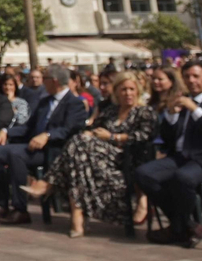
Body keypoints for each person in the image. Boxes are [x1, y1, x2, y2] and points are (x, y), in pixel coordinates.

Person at [22, 73, 155, 237]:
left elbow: (143, 137)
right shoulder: (111, 110)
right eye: (123, 89)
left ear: (138, 91)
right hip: (96, 157)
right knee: (79, 152)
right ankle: (76, 215)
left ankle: (50, 186)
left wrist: (113, 137)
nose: (127, 93)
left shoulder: (144, 112)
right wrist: (92, 134)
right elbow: (94, 129)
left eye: (131, 89)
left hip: (125, 157)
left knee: (78, 145)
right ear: (117, 92)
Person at [134, 62, 202, 248]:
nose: (191, 81)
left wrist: (195, 110)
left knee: (182, 178)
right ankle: (186, 224)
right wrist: (172, 116)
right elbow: (168, 140)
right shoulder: (181, 101)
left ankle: (177, 228)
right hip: (182, 156)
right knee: (144, 174)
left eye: (196, 76)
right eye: (187, 76)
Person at [0, 65, 90, 225]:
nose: (42, 83)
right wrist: (6, 131)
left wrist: (47, 135)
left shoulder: (74, 103)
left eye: (45, 79)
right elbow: (28, 127)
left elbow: (70, 129)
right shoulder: (44, 102)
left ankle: (20, 209)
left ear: (54, 81)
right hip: (34, 146)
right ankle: (0, 204)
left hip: (56, 150)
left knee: (15, 155)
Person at [0, 71, 31, 144]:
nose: (8, 87)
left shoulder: (21, 103)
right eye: (5, 84)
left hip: (13, 136)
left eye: (11, 85)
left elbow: (22, 120)